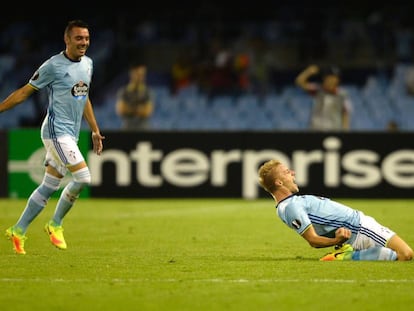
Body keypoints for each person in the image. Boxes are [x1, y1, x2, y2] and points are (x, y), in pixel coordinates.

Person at [0, 20, 105, 255]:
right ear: (67, 40)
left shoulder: (88, 64)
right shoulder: (53, 66)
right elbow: (24, 93)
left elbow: (83, 96)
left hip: (72, 133)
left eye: (86, 39)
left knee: (50, 186)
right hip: (56, 131)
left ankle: (18, 230)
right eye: (79, 38)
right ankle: (55, 224)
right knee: (83, 177)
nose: (84, 43)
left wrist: (95, 130)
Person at [258, 159, 413, 261]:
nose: (293, 173)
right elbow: (313, 240)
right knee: (406, 254)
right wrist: (336, 240)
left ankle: (349, 254)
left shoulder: (287, 205)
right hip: (359, 228)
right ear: (279, 182)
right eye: (287, 172)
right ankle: (347, 256)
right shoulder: (291, 207)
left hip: (357, 228)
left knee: (397, 255)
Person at [295, 64, 352, 131]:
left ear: (338, 80)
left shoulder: (342, 95)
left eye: (334, 78)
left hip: (333, 130)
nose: (331, 80)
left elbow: (345, 114)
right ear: (324, 78)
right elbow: (299, 82)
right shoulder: (318, 90)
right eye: (329, 78)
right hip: (315, 129)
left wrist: (345, 131)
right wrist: (308, 72)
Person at [115, 63, 154, 130]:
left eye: (142, 75)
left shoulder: (147, 92)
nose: (141, 77)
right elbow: (121, 110)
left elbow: (147, 111)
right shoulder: (124, 91)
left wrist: (130, 108)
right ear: (132, 74)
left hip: (144, 129)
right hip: (127, 129)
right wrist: (140, 109)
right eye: (138, 74)